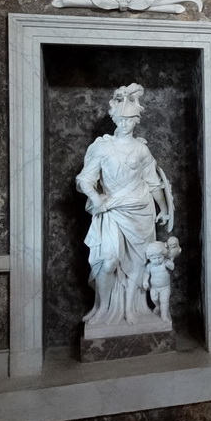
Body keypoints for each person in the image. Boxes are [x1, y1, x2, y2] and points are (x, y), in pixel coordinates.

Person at [76, 84, 173, 326]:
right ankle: (102, 308)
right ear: (115, 118)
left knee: (139, 262)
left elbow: (153, 182)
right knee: (108, 262)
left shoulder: (141, 149)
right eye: (121, 118)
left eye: (130, 120)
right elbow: (85, 179)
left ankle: (131, 309)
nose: (125, 123)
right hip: (111, 209)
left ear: (137, 121)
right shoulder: (101, 147)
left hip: (140, 211)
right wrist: (96, 197)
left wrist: (163, 209)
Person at [142, 241, 176, 323]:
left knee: (164, 300)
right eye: (154, 258)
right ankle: (157, 306)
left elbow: (172, 267)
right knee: (154, 298)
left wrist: (169, 261)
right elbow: (146, 274)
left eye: (159, 257)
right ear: (149, 258)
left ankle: (164, 316)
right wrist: (145, 281)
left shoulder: (164, 263)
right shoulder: (149, 266)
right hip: (154, 287)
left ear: (163, 256)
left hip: (165, 287)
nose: (157, 260)